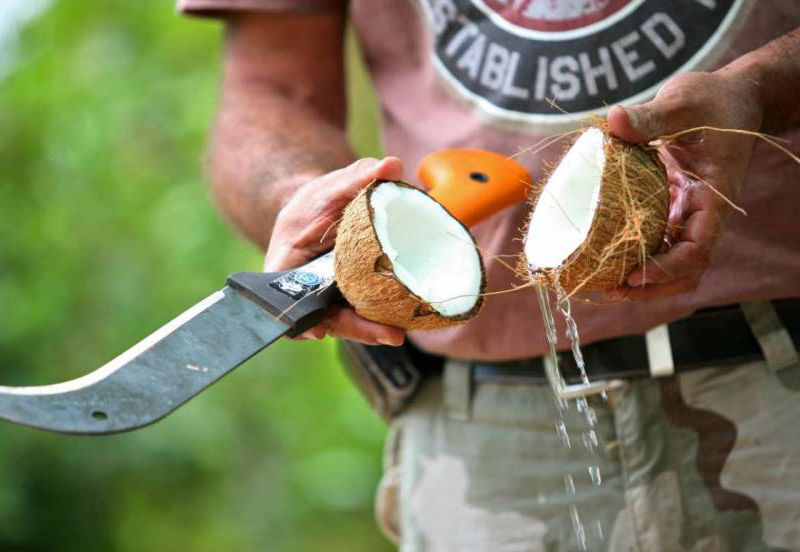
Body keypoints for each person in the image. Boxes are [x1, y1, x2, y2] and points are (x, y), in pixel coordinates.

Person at [179, 1, 800, 550]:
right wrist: (303, 195)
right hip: (486, 434)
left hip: (778, 382)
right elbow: (269, 90)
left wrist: (760, 87)